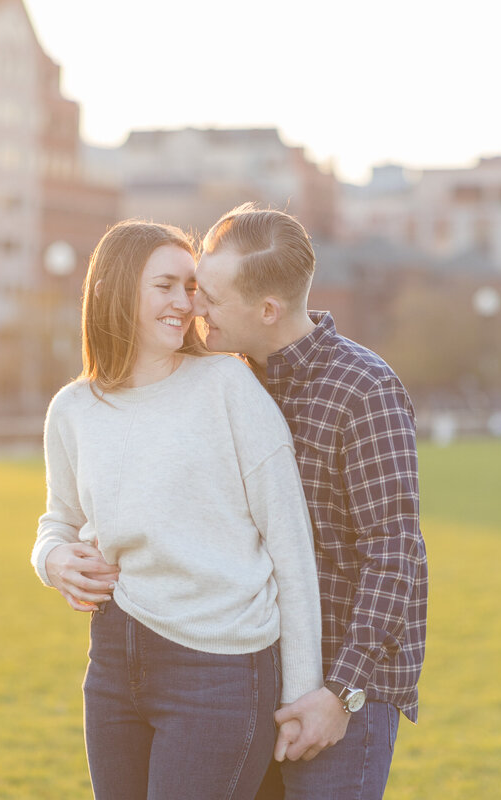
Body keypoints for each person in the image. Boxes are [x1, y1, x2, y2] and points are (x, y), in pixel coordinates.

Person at [31, 219, 324, 800]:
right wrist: (52, 559)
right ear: (116, 291)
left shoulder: (228, 386)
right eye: (164, 285)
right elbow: (57, 520)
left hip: (221, 670)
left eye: (191, 288)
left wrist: (301, 692)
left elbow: (291, 547)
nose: (184, 302)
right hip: (114, 662)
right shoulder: (72, 409)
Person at [192, 204, 428, 800]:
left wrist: (339, 694)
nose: (197, 308)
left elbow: (395, 555)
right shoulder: (223, 382)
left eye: (211, 298)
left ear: (267, 310)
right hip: (244, 687)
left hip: (339, 696)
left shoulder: (363, 389)